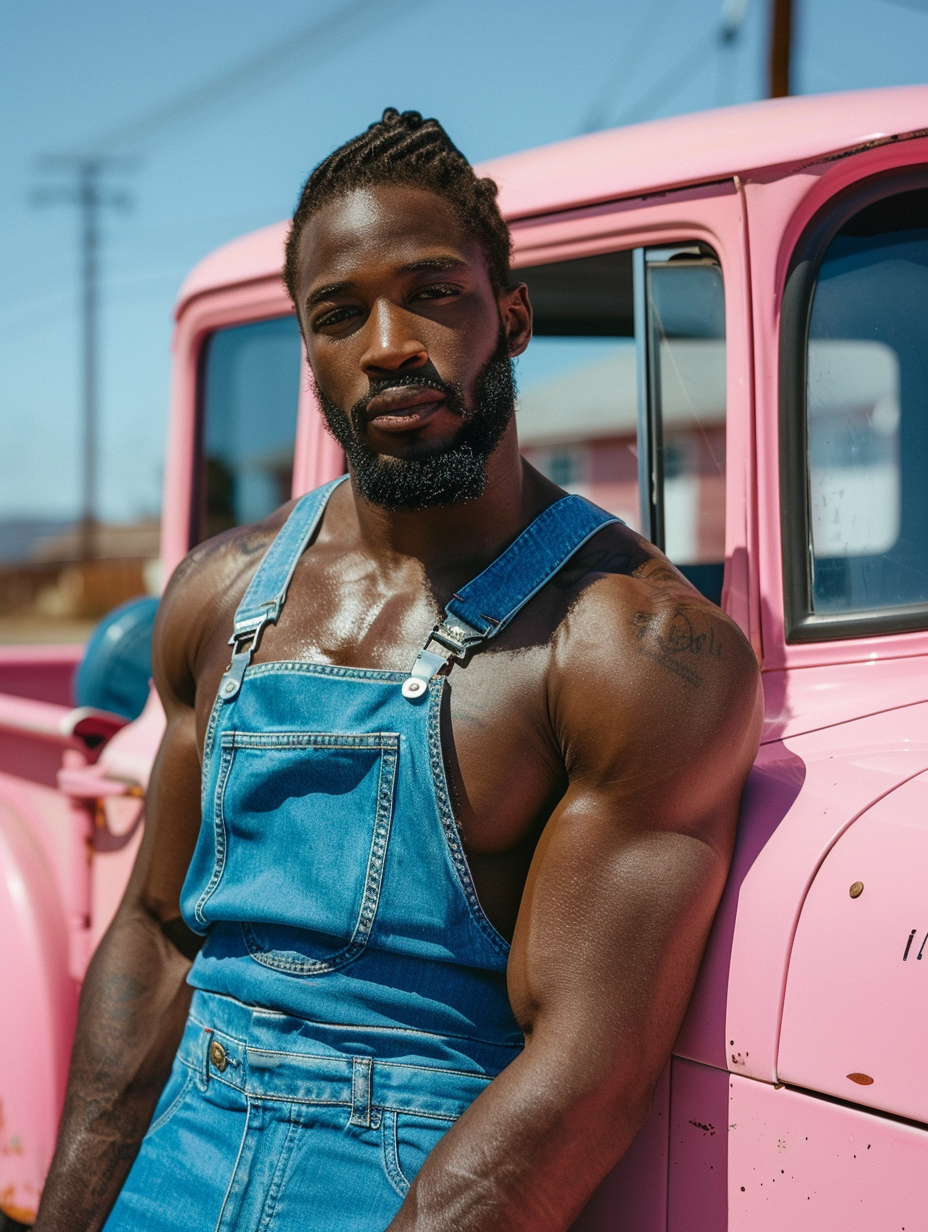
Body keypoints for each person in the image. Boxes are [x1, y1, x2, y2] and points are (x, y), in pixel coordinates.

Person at [34, 108, 762, 1232]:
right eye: (339, 314)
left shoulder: (637, 646)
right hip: (173, 1160)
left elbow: (584, 1075)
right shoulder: (223, 593)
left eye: (432, 291)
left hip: (412, 1183)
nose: (388, 341)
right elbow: (159, 926)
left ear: (509, 316)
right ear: (310, 347)